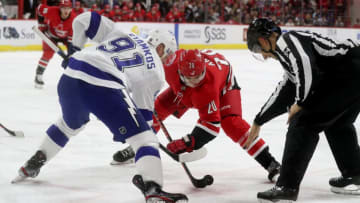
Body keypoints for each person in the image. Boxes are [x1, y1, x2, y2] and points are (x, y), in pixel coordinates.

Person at [12, 11, 187, 203]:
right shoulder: (156, 72)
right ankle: (154, 190)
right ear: (162, 48)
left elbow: (83, 20)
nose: (166, 60)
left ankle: (35, 160)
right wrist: (141, 134)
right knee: (145, 140)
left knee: (69, 125)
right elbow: (143, 117)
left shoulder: (126, 34)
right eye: (167, 55)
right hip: (103, 84)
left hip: (72, 74)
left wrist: (74, 50)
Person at [114, 48, 281, 182]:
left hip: (224, 87)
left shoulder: (208, 87)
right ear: (179, 70)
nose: (194, 82)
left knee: (232, 124)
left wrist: (188, 142)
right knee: (155, 111)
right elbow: (150, 64)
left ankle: (271, 163)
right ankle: (139, 145)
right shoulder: (171, 64)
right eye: (190, 78)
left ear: (203, 71)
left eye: (198, 77)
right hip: (182, 87)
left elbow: (211, 126)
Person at [245, 18, 360, 202]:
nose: (264, 56)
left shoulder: (287, 41)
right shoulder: (287, 53)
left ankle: (287, 188)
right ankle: (355, 174)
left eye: (258, 49)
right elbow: (285, 89)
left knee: (303, 122)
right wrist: (259, 120)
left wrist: (300, 103)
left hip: (349, 71)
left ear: (265, 40)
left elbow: (306, 66)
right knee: (338, 123)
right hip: (352, 72)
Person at [34, 0, 76, 89]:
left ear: (71, 9)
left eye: (68, 8)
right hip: (51, 34)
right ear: (59, 8)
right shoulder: (52, 10)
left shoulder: (74, 20)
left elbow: (70, 41)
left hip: (66, 38)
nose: (66, 11)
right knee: (48, 53)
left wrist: (70, 54)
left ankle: (75, 79)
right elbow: (39, 8)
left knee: (75, 55)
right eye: (64, 8)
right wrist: (41, 24)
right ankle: (39, 75)